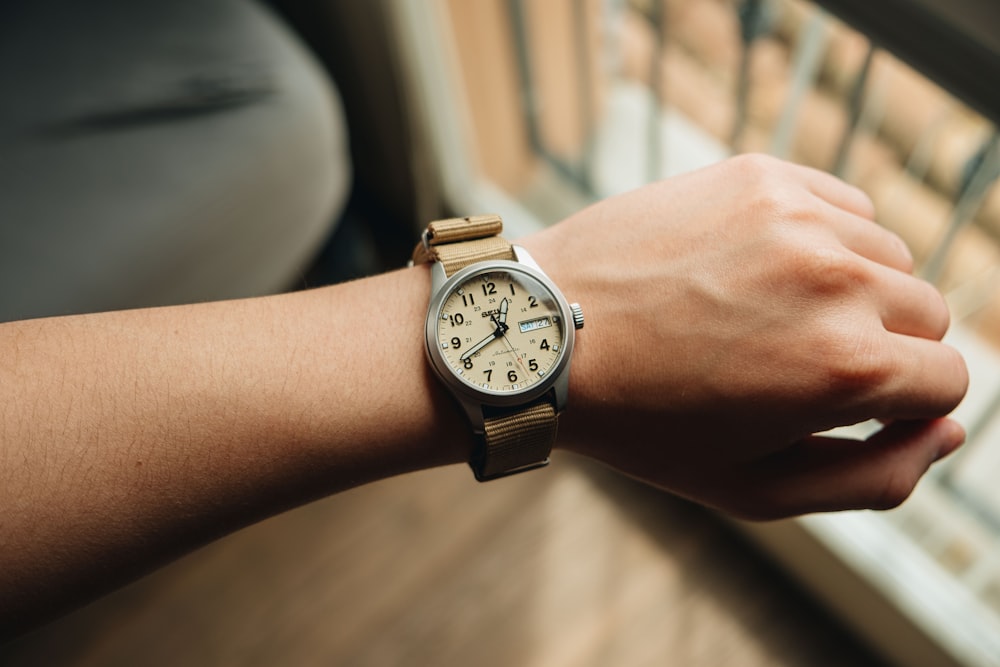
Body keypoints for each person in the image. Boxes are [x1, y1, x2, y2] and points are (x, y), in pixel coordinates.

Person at [0, 153, 969, 639]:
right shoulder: (507, 317)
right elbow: (484, 316)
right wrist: (575, 346)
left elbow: (496, 302)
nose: (513, 328)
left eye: (527, 320)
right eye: (508, 319)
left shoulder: (499, 293)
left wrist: (545, 288)